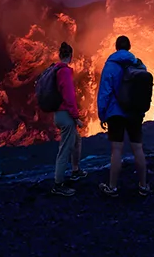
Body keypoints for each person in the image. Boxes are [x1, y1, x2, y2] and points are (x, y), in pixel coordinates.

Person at [97, 35, 150, 198]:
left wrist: (102, 114)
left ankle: (112, 187)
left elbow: (105, 92)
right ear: (129, 47)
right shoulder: (138, 64)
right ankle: (143, 186)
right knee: (138, 148)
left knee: (117, 150)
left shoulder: (110, 66)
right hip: (134, 112)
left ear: (116, 47)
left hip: (115, 114)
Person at [52, 41, 87, 197]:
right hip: (65, 115)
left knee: (76, 140)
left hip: (59, 114)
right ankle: (58, 185)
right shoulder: (64, 72)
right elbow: (69, 97)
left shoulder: (55, 70)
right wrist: (76, 117)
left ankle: (75, 170)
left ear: (60, 55)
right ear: (71, 56)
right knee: (65, 149)